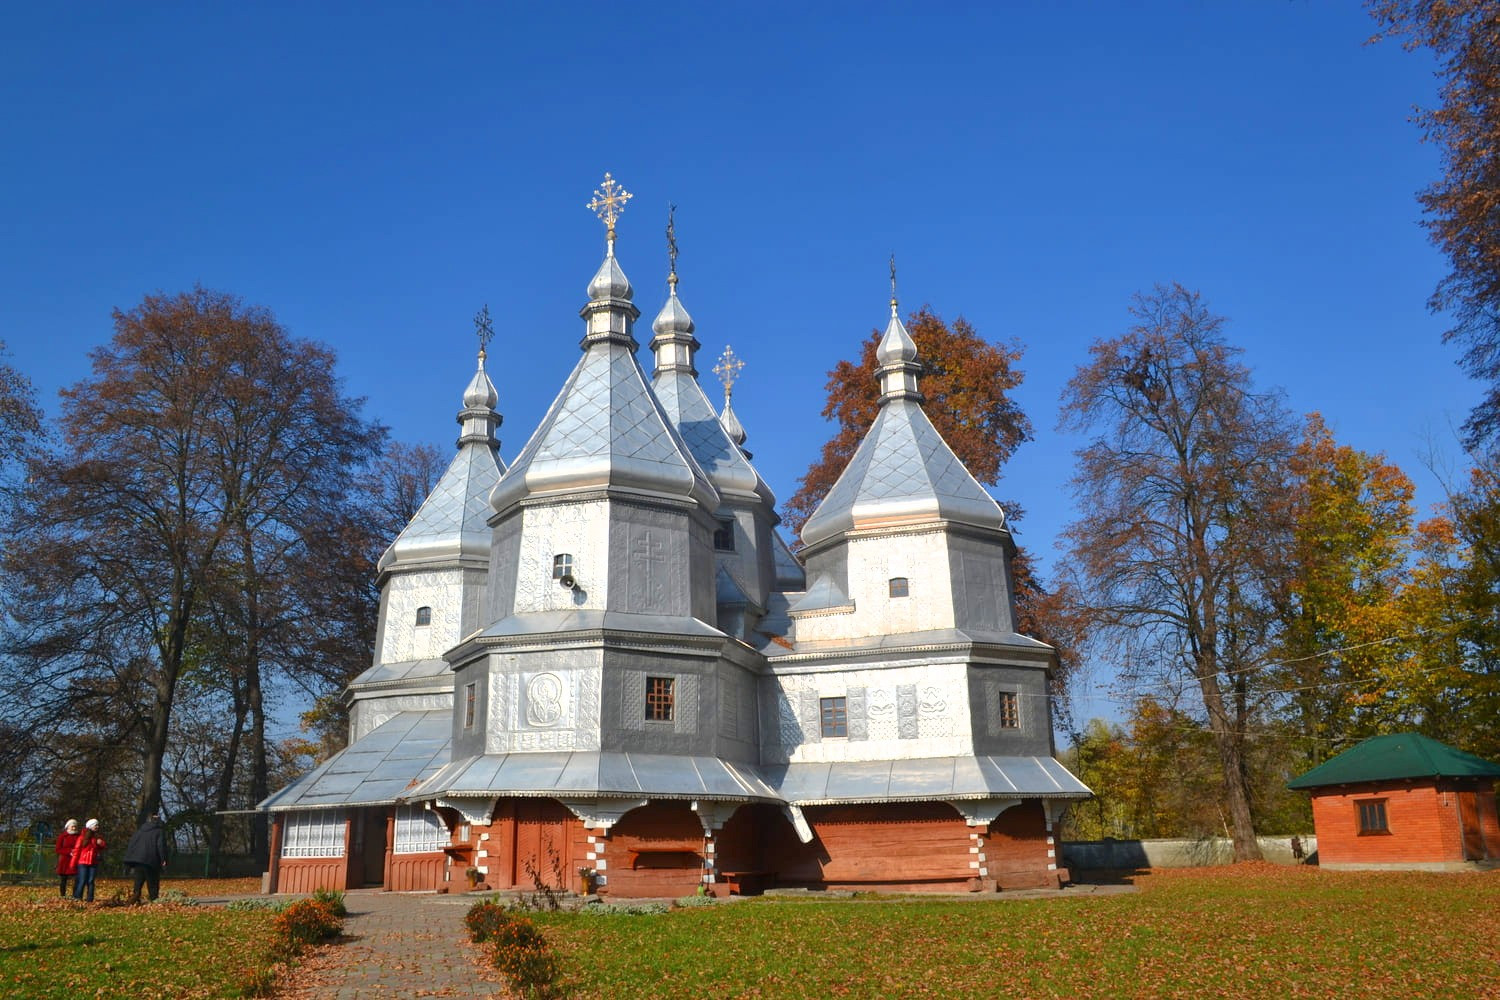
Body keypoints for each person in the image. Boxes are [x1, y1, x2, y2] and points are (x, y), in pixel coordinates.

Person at [122, 812, 170, 904]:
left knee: (138, 882)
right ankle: (154, 900)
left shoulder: (140, 831)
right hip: (151, 861)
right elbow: (161, 847)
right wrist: (163, 860)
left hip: (138, 860)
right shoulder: (159, 831)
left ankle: (135, 899)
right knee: (152, 883)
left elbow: (132, 844)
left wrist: (129, 859)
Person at [71, 819, 105, 902]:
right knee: (82, 880)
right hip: (83, 862)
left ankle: (90, 899)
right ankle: (78, 898)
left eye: (97, 825)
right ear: (90, 826)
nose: (97, 827)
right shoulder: (82, 837)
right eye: (95, 825)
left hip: (93, 862)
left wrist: (101, 844)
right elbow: (77, 850)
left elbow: (102, 846)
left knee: (91, 881)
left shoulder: (97, 837)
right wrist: (73, 863)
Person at [54, 819, 80, 897]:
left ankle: (75, 895)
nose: (74, 828)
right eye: (72, 826)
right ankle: (63, 895)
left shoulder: (78, 836)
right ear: (68, 827)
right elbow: (58, 849)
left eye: (75, 826)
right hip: (64, 861)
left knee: (76, 879)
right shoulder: (62, 836)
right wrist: (69, 851)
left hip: (75, 860)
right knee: (63, 880)